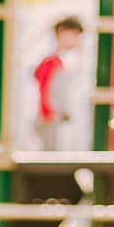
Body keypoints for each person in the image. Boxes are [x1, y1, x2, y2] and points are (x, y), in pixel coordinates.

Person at [33, 16, 84, 150]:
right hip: (49, 118)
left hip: (58, 119)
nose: (76, 40)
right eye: (73, 35)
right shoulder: (51, 61)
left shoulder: (66, 60)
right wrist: (48, 112)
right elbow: (44, 88)